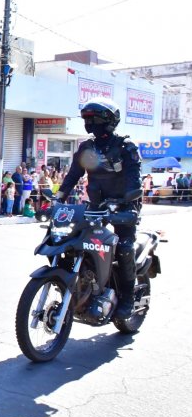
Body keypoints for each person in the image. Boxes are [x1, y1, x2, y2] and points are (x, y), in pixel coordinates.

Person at [56, 98, 141, 319]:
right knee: (75, 242)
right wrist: (58, 200)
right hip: (96, 205)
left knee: (123, 247)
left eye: (95, 118)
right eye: (87, 119)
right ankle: (82, 287)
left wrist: (131, 199)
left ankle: (128, 299)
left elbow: (134, 179)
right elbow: (73, 175)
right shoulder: (87, 147)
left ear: (110, 120)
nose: (91, 123)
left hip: (125, 204)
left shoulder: (126, 147)